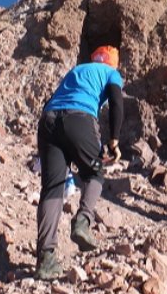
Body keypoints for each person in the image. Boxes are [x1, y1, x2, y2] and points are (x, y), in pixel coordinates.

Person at [34, 45, 124, 280]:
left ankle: (46, 259)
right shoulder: (110, 73)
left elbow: (51, 100)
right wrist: (114, 139)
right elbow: (116, 101)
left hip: (48, 121)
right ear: (112, 63)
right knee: (94, 172)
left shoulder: (78, 69)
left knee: (52, 189)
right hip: (79, 118)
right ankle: (83, 220)